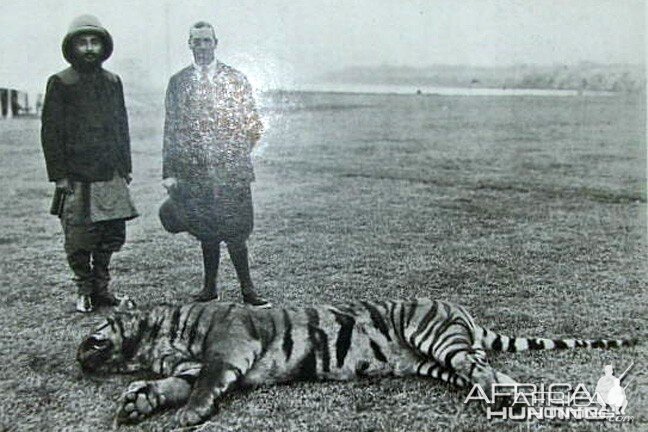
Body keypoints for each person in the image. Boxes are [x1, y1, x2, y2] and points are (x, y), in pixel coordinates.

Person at [160, 21, 270, 308]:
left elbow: (254, 124)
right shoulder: (178, 82)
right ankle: (209, 288)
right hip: (195, 172)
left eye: (207, 41)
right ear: (190, 45)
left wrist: (235, 154)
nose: (203, 47)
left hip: (231, 172)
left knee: (236, 231)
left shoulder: (235, 78)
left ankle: (248, 290)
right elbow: (172, 129)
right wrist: (170, 172)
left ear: (216, 43)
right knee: (206, 230)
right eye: (197, 42)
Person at [41, 15, 138, 313]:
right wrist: (59, 175)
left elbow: (121, 126)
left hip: (110, 173)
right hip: (76, 176)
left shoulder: (112, 81)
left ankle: (102, 288)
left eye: (94, 42)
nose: (88, 48)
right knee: (80, 237)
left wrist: (125, 166)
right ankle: (84, 289)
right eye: (82, 43)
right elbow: (50, 132)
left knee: (110, 234)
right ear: (72, 47)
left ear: (103, 46)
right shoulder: (61, 82)